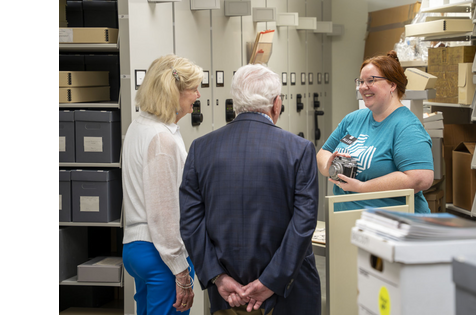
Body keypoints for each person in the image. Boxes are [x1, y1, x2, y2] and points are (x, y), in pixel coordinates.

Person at [179, 63, 321, 315]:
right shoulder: (299, 149)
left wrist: (218, 277)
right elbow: (304, 223)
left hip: (228, 294)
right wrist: (270, 282)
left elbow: (191, 221)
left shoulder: (200, 148)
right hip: (290, 291)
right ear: (277, 104)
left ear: (235, 103)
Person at [122, 54, 203, 314]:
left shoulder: (140, 126)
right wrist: (181, 270)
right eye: (193, 89)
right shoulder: (161, 139)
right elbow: (163, 211)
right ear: (173, 92)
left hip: (137, 249)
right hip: (160, 255)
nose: (198, 95)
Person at [316, 50, 434, 213]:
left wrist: (363, 187)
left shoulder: (406, 126)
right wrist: (329, 164)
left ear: (392, 85)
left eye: (371, 80)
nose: (363, 87)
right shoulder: (353, 119)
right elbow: (323, 152)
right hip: (347, 221)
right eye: (361, 81)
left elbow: (421, 178)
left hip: (392, 224)